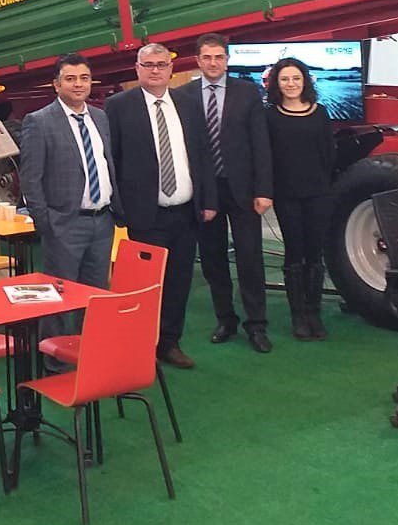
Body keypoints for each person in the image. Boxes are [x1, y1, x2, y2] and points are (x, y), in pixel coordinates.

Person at [106, 44, 217, 369]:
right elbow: (112, 160)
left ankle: (169, 342)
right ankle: (139, 347)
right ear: (137, 69)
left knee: (179, 281)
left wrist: (209, 200)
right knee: (144, 285)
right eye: (148, 65)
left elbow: (203, 154)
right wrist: (120, 208)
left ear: (170, 69)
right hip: (145, 215)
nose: (155, 70)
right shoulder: (118, 106)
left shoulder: (188, 103)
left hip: (185, 212)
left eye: (161, 64)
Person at [177, 33, 275, 353]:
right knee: (213, 259)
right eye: (207, 57)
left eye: (219, 57)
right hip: (206, 191)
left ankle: (256, 324)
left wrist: (264, 189)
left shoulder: (247, 92)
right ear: (197, 60)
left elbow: (261, 143)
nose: (213, 63)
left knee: (250, 258)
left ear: (227, 60)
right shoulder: (184, 95)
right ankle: (226, 319)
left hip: (243, 190)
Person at [16, 53, 123, 341]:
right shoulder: (39, 122)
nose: (78, 84)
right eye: (71, 79)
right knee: (60, 299)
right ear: (56, 84)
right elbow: (30, 179)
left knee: (95, 295)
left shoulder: (100, 117)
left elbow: (107, 163)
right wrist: (47, 223)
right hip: (64, 224)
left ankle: (90, 354)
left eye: (84, 78)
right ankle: (55, 358)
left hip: (102, 223)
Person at [264, 58, 338, 341]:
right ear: (276, 83)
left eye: (296, 78)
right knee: (294, 253)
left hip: (318, 194)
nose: (291, 84)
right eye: (284, 79)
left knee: (315, 254)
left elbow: (328, 153)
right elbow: (267, 156)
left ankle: (314, 313)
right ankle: (298, 316)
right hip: (287, 196)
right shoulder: (270, 116)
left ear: (305, 80)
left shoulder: (321, 112)